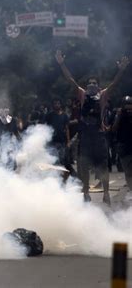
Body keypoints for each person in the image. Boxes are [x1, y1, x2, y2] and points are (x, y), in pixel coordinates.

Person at [56, 50, 130, 204]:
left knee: (103, 166)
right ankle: (86, 192)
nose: (91, 85)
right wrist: (61, 64)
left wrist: (121, 70)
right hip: (85, 137)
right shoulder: (82, 94)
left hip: (99, 136)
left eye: (94, 83)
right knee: (83, 165)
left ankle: (106, 193)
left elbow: (115, 84)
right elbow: (70, 80)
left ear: (98, 85)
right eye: (89, 83)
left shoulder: (103, 95)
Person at [45, 99, 74, 179]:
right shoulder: (49, 115)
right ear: (53, 105)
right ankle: (55, 178)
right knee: (54, 161)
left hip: (62, 141)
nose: (57, 105)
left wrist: (68, 141)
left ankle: (70, 178)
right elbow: (45, 128)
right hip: (52, 141)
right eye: (55, 104)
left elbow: (67, 128)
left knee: (63, 161)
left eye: (58, 103)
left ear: (60, 105)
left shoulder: (64, 116)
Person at [112, 96, 132, 199]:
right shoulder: (119, 115)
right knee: (128, 172)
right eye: (126, 108)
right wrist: (119, 116)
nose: (128, 111)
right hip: (124, 147)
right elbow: (114, 129)